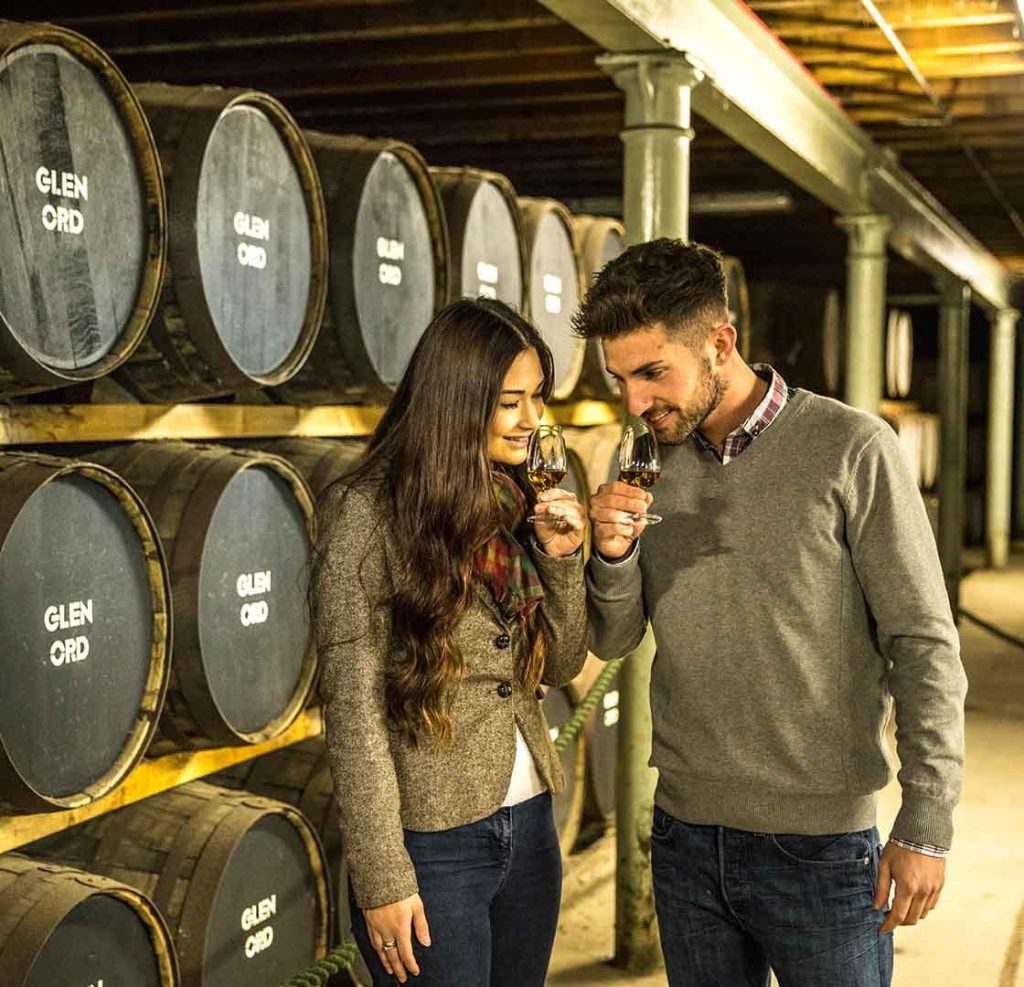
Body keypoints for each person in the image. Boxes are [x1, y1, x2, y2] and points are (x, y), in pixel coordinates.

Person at [575, 238, 967, 987]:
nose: (634, 401)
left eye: (653, 372)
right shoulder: (648, 458)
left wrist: (928, 822)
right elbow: (618, 635)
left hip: (819, 846)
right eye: (620, 377)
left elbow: (923, 644)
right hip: (686, 836)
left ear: (720, 343)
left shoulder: (851, 448)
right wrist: (615, 555)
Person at [312, 298, 588, 986]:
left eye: (539, 399)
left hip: (530, 825)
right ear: (457, 403)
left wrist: (562, 560)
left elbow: (566, 660)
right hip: (434, 843)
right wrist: (380, 875)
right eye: (510, 403)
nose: (533, 421)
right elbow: (352, 709)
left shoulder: (518, 501)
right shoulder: (369, 513)